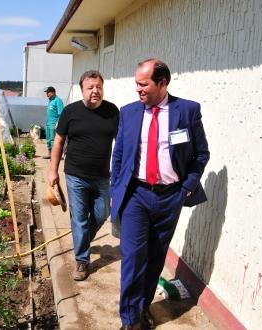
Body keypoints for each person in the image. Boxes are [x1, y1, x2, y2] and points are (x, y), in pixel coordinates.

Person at [111, 59, 210, 330]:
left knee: (155, 258)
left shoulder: (187, 111)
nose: (138, 89)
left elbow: (201, 154)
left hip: (170, 198)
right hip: (136, 196)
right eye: (137, 84)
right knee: (132, 258)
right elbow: (119, 155)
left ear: (162, 83)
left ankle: (142, 308)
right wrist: (115, 189)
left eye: (143, 84)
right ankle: (130, 320)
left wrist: (185, 187)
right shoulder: (129, 112)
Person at [48, 71, 119, 281]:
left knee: (102, 213)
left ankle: (82, 241)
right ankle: (82, 260)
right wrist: (53, 170)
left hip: (102, 177)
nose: (95, 91)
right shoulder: (71, 111)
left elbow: (121, 143)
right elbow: (59, 141)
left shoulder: (112, 112)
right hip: (75, 175)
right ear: (82, 90)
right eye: (91, 87)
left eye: (99, 87)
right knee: (79, 219)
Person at [43, 86, 64, 159]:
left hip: (54, 123)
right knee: (48, 139)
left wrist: (58, 124)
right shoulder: (50, 101)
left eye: (48, 92)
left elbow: (61, 114)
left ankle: (55, 155)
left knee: (53, 139)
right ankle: (50, 154)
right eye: (46, 93)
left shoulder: (58, 101)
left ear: (53, 92)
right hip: (48, 123)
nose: (47, 94)